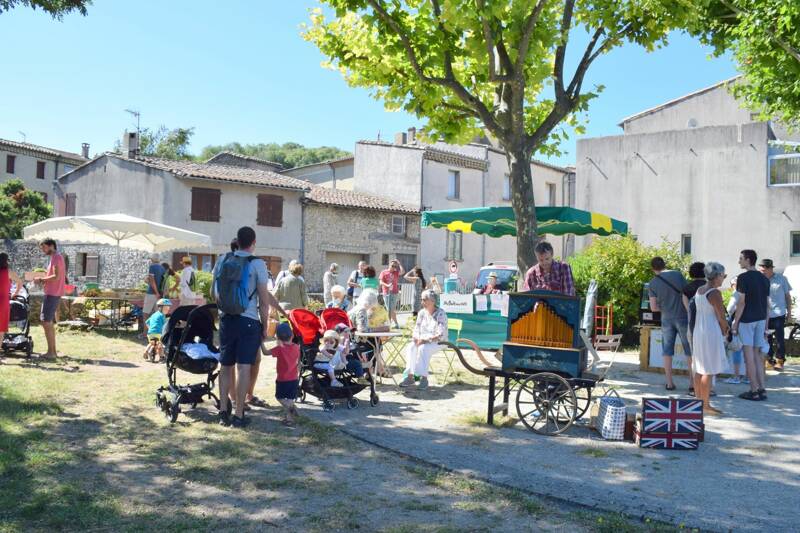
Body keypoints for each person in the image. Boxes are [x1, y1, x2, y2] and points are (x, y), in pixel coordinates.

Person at [214, 226, 286, 428]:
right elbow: (264, 300)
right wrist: (264, 325)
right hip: (248, 320)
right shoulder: (257, 264)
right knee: (244, 366)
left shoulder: (222, 260)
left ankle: (222, 412)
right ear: (253, 243)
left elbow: (215, 293)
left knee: (225, 365)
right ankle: (238, 414)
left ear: (237, 240)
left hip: (226, 319)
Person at [648, 256, 692, 391]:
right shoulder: (677, 275)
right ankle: (692, 384)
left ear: (652, 268)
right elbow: (687, 292)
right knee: (689, 351)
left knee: (667, 351)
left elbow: (653, 308)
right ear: (664, 264)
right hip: (683, 316)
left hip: (666, 319)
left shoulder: (652, 283)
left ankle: (669, 383)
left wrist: (664, 308)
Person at [732, 249, 770, 401]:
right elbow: (767, 304)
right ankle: (762, 389)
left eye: (741, 258)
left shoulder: (743, 278)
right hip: (760, 319)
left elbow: (741, 302)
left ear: (748, 260)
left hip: (747, 320)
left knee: (749, 356)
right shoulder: (764, 278)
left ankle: (753, 390)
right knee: (757, 355)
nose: (739, 261)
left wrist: (735, 322)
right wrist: (766, 324)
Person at [691, 263, 729, 416]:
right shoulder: (714, 293)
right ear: (717, 276)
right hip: (710, 331)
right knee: (708, 369)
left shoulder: (699, 290)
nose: (723, 278)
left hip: (699, 331)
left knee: (699, 368)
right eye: (723, 275)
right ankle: (705, 404)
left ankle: (698, 402)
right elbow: (721, 316)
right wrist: (726, 330)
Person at [399, 290, 448, 390]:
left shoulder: (441, 313)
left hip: (439, 341)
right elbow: (416, 328)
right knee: (411, 347)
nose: (422, 302)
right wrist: (416, 338)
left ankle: (423, 378)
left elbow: (440, 334)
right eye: (421, 299)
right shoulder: (421, 313)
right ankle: (410, 376)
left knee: (423, 349)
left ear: (433, 301)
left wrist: (425, 340)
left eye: (424, 300)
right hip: (422, 340)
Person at [34, 239, 66, 358]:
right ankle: (52, 351)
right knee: (47, 322)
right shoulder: (55, 257)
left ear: (51, 246)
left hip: (52, 293)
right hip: (52, 292)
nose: (42, 250)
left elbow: (56, 277)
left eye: (44, 247)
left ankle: (51, 353)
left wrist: (41, 279)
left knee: (46, 321)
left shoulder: (57, 257)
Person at [759, 259, 792, 371]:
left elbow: (787, 297)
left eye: (764, 270)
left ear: (770, 268)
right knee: (766, 338)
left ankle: (780, 361)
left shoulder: (781, 279)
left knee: (779, 339)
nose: (762, 272)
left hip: (778, 313)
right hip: (764, 314)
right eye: (761, 270)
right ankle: (769, 360)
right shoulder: (759, 280)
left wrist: (789, 313)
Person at [265, 322, 300, 427]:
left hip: (282, 379)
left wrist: (261, 342)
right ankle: (289, 420)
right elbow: (299, 362)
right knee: (289, 399)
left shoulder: (279, 349)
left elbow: (265, 352)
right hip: (294, 378)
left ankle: (291, 408)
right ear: (292, 335)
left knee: (279, 397)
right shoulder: (297, 347)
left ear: (278, 337)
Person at [725, 276, 747, 384]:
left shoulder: (736, 293)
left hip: (737, 323)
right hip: (749, 322)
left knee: (737, 350)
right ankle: (748, 376)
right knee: (748, 350)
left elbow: (730, 309)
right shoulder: (749, 292)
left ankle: (736, 376)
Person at [0, 253, 23, 340]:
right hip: (3, 301)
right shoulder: (9, 272)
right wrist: (15, 293)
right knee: (1, 328)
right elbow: (20, 282)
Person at [142, 255, 166, 337]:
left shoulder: (152, 267)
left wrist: (156, 292)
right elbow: (161, 282)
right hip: (159, 294)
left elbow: (152, 280)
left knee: (146, 313)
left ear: (152, 259)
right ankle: (157, 334)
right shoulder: (162, 268)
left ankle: (145, 333)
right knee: (157, 314)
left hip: (152, 293)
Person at [143, 298, 171, 363]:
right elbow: (165, 325)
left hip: (150, 333)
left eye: (168, 308)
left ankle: (146, 352)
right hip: (158, 333)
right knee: (160, 345)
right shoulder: (162, 315)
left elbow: (147, 322)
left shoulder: (154, 314)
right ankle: (161, 358)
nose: (167, 310)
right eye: (166, 308)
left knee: (151, 343)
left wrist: (150, 329)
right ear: (160, 308)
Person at [379, 259, 404, 329]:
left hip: (394, 292)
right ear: (389, 265)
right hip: (386, 293)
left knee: (391, 309)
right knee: (388, 308)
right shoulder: (383, 272)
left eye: (395, 266)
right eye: (392, 266)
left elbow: (403, 272)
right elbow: (380, 282)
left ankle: (392, 323)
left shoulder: (396, 272)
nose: (393, 267)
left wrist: (399, 263)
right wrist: (387, 285)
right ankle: (392, 323)